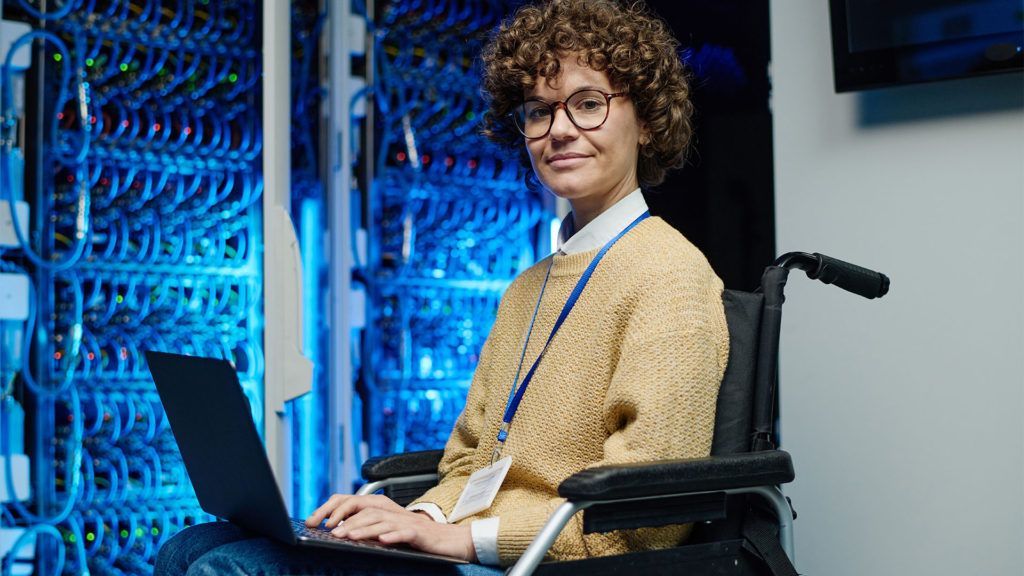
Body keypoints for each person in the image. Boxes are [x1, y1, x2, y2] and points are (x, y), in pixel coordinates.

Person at [155, 0, 728, 574]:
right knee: (192, 545)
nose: (559, 130)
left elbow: (642, 522)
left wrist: (459, 540)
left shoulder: (670, 275)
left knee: (226, 568)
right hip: (479, 545)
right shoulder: (528, 288)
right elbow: (467, 464)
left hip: (550, 561)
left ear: (648, 121)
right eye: (538, 112)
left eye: (587, 105)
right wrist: (418, 520)